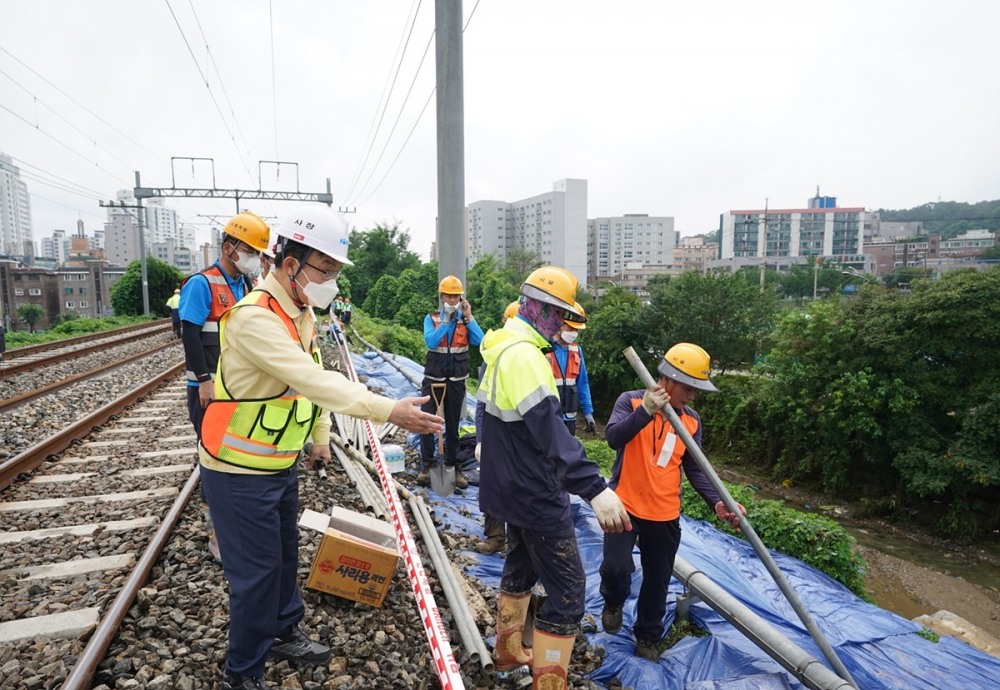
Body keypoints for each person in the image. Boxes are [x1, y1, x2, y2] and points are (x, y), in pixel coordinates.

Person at [197, 204, 443, 690]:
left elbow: (309, 383)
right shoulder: (254, 319)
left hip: (276, 460)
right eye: (325, 270)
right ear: (291, 265)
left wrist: (319, 437)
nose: (330, 281)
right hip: (237, 468)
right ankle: (242, 672)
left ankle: (284, 631)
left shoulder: (299, 311)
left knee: (286, 556)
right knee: (257, 576)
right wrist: (388, 409)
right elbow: (312, 378)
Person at [477, 266, 631, 690]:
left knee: (521, 568)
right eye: (558, 313)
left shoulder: (504, 348)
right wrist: (595, 488)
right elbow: (550, 432)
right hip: (534, 491)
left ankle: (508, 656)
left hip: (508, 486)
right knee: (568, 593)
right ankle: (549, 684)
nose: (562, 324)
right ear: (537, 307)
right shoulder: (525, 357)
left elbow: (491, 415)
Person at [599, 343, 746, 661]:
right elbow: (613, 438)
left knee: (658, 580)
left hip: (664, 513)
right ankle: (613, 601)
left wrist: (717, 502)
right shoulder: (632, 401)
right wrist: (646, 411)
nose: (692, 396)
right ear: (668, 378)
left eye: (697, 390)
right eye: (689, 388)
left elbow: (695, 467)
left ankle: (648, 637)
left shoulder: (690, 421)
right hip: (624, 505)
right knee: (615, 568)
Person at [180, 210, 269, 562]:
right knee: (214, 456)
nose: (255, 259)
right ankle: (217, 532)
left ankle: (236, 523)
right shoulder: (202, 284)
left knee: (237, 455)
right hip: (209, 388)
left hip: (237, 390)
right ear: (230, 248)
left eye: (258, 253)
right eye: (250, 251)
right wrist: (203, 380)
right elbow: (189, 334)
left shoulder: (245, 286)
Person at [416, 276, 484, 491]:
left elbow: (480, 341)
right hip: (434, 377)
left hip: (456, 379)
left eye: (456, 296)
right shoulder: (432, 318)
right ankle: (427, 465)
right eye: (449, 296)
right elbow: (431, 341)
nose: (452, 300)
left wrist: (469, 317)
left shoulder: (466, 320)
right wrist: (446, 321)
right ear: (441, 296)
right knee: (427, 421)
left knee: (453, 424)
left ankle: (454, 466)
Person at [473, 299, 520, 555]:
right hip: (495, 433)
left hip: (519, 437)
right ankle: (495, 537)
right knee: (490, 485)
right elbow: (481, 404)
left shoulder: (530, 360)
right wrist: (481, 439)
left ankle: (516, 539)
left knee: (517, 488)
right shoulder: (491, 358)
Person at [544, 301, 595, 436]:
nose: (574, 333)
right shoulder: (544, 348)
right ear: (559, 324)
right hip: (549, 417)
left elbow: (582, 384)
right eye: (571, 328)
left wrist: (588, 412)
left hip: (569, 418)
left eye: (577, 330)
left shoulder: (576, 350)